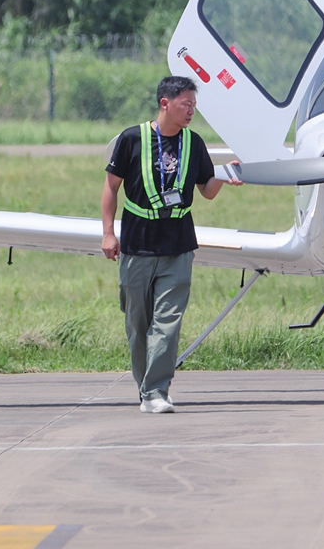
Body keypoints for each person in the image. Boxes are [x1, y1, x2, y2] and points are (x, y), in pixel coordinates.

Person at [100, 76, 242, 414]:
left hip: (178, 245)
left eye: (194, 104)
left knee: (167, 322)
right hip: (137, 245)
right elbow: (110, 188)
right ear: (165, 103)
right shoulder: (131, 139)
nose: (191, 110)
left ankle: (156, 391)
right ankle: (145, 388)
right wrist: (108, 233)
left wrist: (224, 175)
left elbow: (205, 190)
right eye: (186, 104)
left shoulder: (194, 144)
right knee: (137, 324)